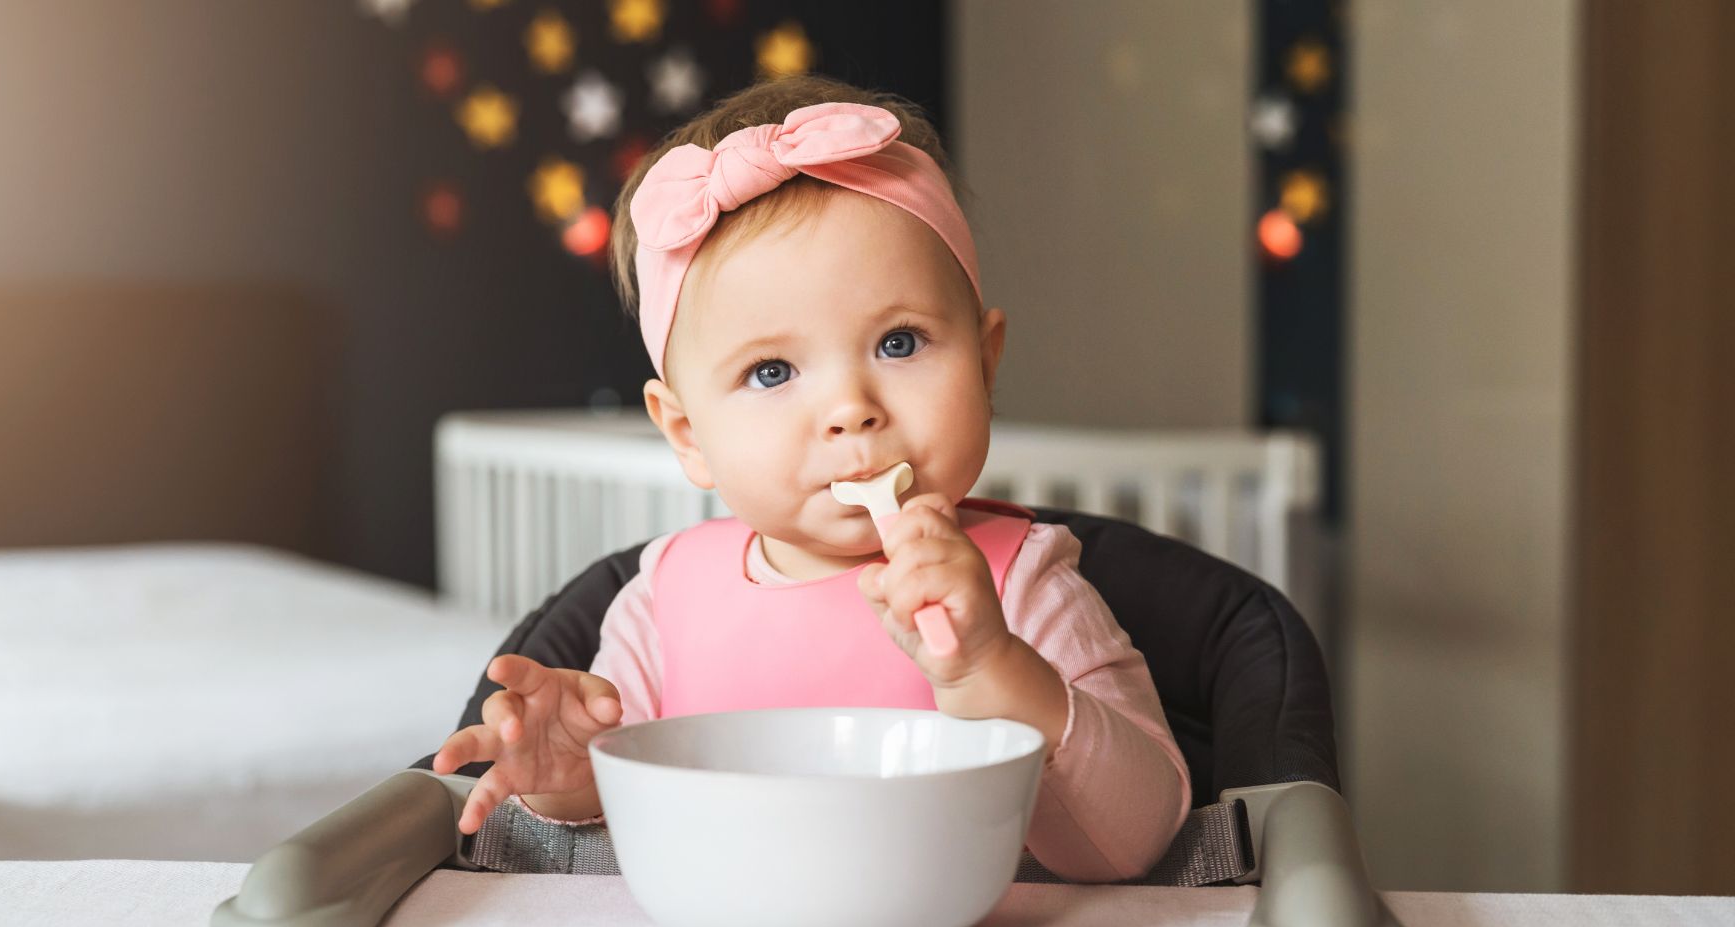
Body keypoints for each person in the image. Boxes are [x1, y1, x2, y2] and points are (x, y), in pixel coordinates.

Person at [431, 75, 1190, 883]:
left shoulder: (1021, 581)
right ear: (688, 433)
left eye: (899, 343)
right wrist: (576, 782)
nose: (850, 410)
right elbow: (637, 824)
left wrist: (992, 669)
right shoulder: (663, 601)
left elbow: (1140, 843)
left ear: (985, 362)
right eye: (771, 371)